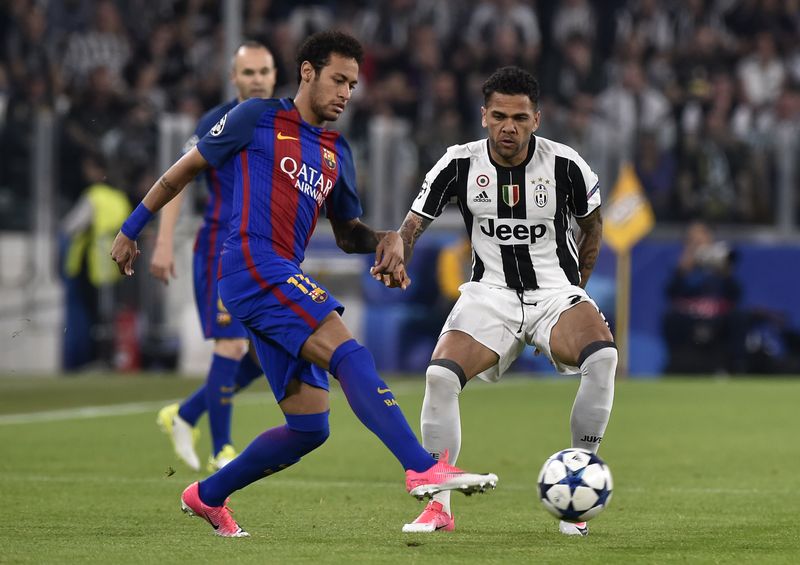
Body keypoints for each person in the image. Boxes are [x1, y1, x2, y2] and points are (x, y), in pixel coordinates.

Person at [110, 30, 498, 538]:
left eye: (353, 85)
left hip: (277, 273)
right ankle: (422, 467)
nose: (345, 93)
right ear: (308, 72)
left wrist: (385, 240)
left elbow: (347, 234)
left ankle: (206, 495)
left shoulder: (338, 152)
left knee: (309, 427)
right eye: (338, 79)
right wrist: (130, 229)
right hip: (251, 263)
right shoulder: (257, 117)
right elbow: (183, 171)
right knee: (350, 353)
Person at [372, 66, 616, 537]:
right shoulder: (458, 163)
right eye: (500, 115)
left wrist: (576, 290)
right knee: (440, 377)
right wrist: (400, 250)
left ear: (537, 119)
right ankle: (438, 508)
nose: (510, 126)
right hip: (490, 295)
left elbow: (594, 226)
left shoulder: (567, 165)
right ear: (484, 116)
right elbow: (414, 223)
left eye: (520, 117)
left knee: (603, 357)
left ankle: (578, 488)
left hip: (554, 294)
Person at [150, 41, 277, 473]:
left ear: (275, 75)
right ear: (233, 78)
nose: (257, 79)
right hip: (222, 248)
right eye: (249, 73)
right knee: (231, 341)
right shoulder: (215, 122)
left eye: (264, 71)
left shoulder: (287, 123)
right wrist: (164, 240)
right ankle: (223, 449)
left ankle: (185, 414)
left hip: (266, 251)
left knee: (270, 353)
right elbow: (178, 180)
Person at [62, 153, 131, 370]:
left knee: (89, 316)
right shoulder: (120, 198)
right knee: (109, 315)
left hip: (90, 265)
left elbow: (71, 226)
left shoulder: (93, 196)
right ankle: (108, 358)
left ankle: (88, 360)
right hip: (115, 265)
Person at [662, 221, 743, 373]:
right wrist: (682, 271)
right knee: (670, 318)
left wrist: (725, 273)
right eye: (694, 241)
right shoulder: (684, 268)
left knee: (738, 318)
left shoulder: (719, 267)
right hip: (689, 320)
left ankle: (735, 367)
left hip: (718, 320)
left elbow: (736, 296)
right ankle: (677, 363)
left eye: (703, 240)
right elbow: (671, 294)